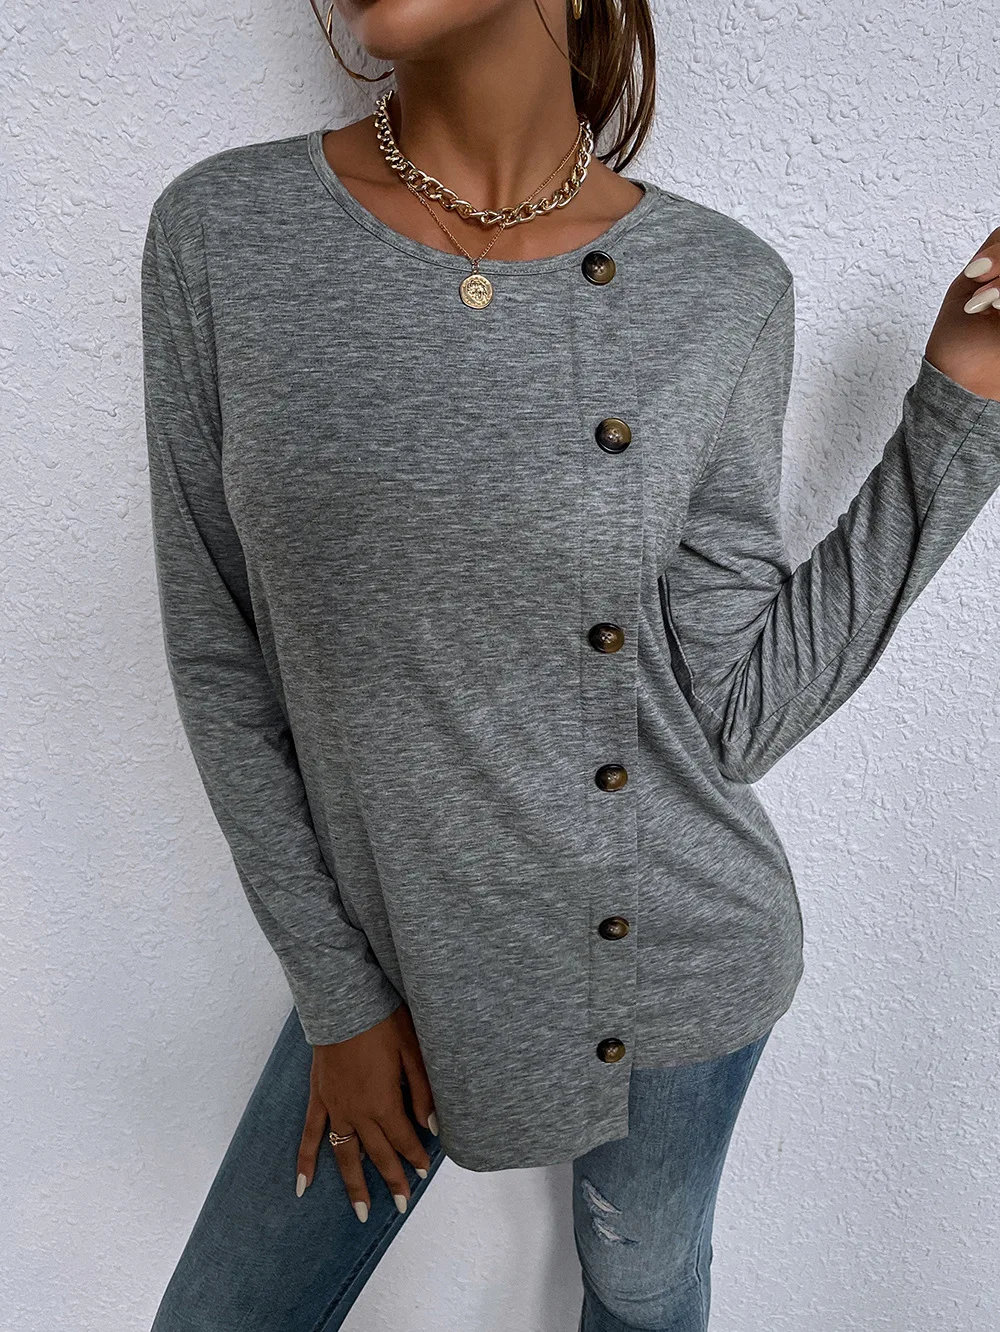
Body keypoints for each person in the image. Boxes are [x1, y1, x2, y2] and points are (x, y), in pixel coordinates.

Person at [139, 1, 1000, 1328]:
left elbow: (733, 710)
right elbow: (218, 651)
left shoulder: (721, 288)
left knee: (642, 1288)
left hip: (675, 958)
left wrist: (960, 410)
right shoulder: (225, 234)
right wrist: (338, 997)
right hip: (393, 956)